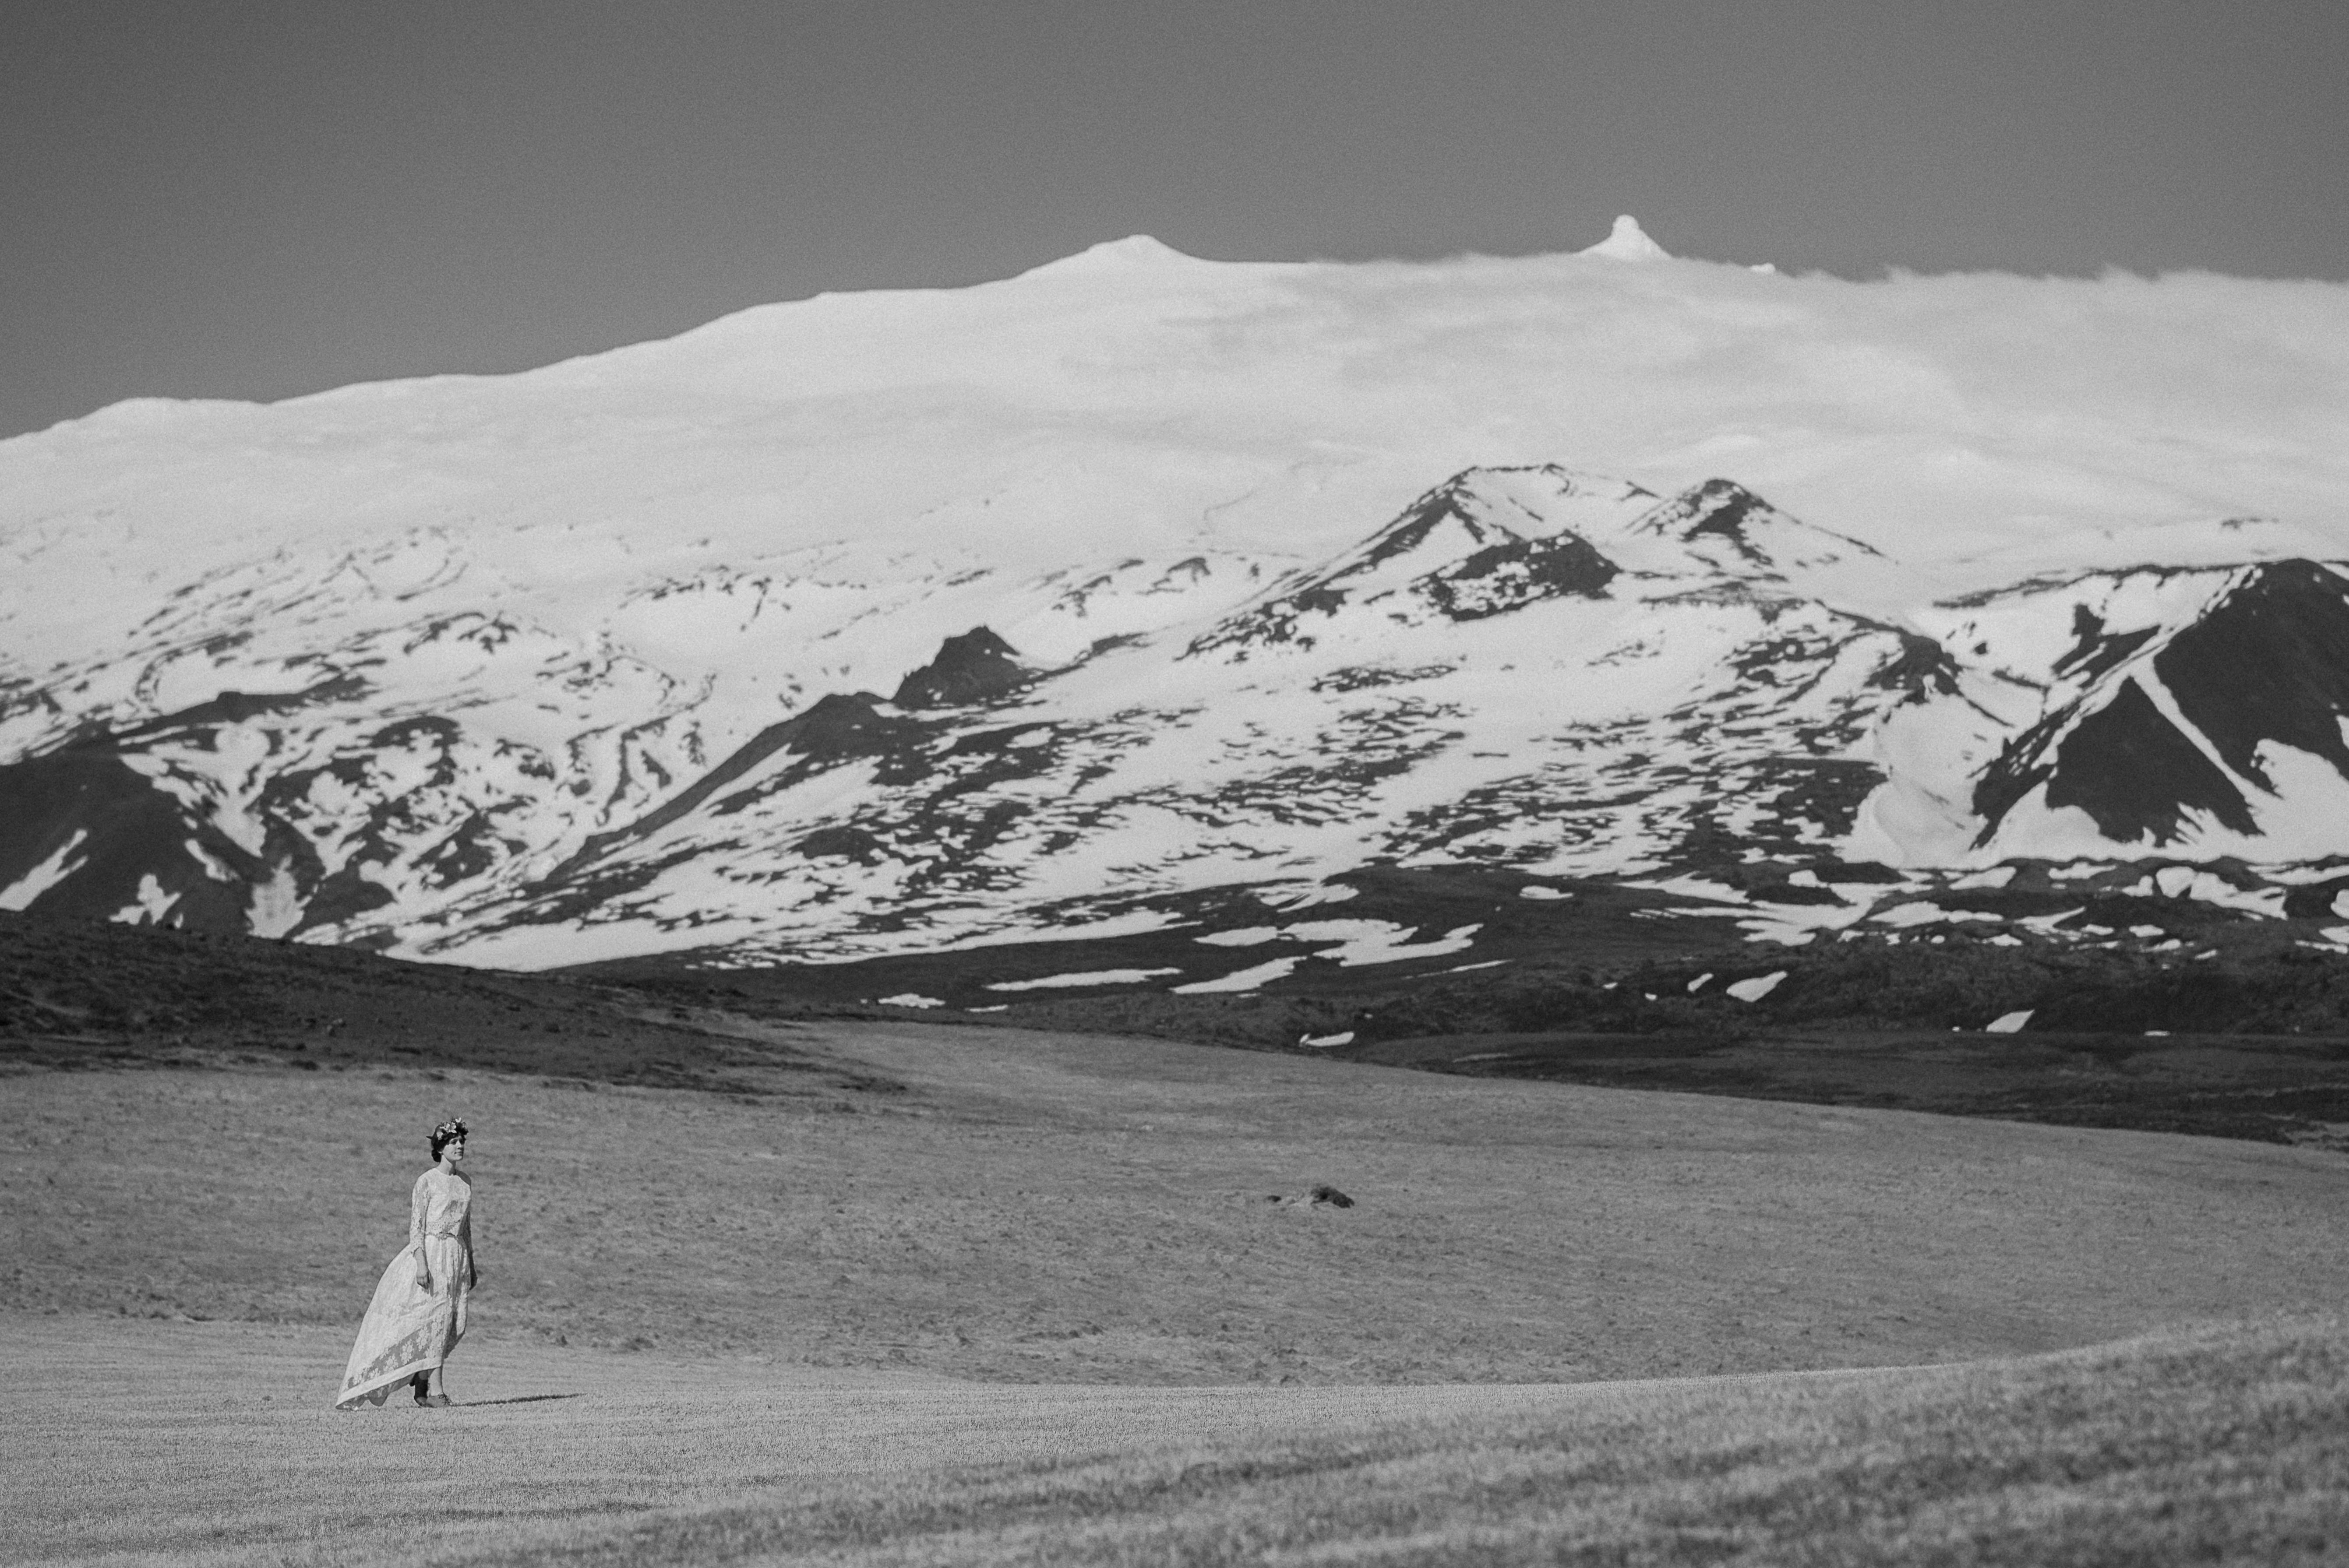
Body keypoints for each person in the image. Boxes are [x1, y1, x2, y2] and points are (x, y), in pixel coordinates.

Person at [335, 1118, 480, 1409]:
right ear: (441, 1148)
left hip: (456, 1256)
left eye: (462, 1141)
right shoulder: (426, 1181)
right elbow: (417, 1227)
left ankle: (422, 1380)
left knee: (455, 1323)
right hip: (432, 1253)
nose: (460, 1146)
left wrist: (471, 1263)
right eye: (454, 1142)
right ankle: (435, 1391)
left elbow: (466, 1227)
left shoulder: (465, 1183)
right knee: (434, 1321)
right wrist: (422, 1264)